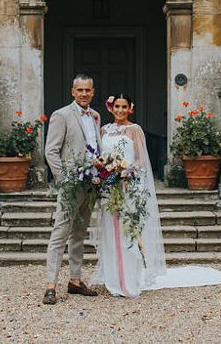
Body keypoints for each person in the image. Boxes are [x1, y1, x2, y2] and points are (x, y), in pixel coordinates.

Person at [90, 94, 166, 297]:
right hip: (108, 187)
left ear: (130, 108)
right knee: (110, 231)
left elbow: (142, 160)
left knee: (128, 231)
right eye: (117, 106)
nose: (121, 110)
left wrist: (125, 170)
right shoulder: (104, 129)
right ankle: (114, 279)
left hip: (128, 186)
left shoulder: (134, 130)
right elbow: (99, 157)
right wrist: (105, 170)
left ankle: (130, 279)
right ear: (111, 108)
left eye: (124, 106)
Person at [42, 74, 102, 305]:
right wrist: (64, 179)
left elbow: (94, 149)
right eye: (80, 90)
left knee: (79, 233)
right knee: (60, 233)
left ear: (93, 92)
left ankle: (75, 280)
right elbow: (51, 151)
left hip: (91, 185)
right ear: (73, 92)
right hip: (71, 185)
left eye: (88, 90)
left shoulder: (95, 116)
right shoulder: (61, 115)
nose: (84, 94)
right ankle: (50, 285)